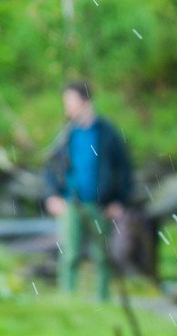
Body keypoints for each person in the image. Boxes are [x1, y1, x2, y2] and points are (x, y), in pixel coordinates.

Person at [44, 81, 133, 301]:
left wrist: (119, 201)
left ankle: (103, 301)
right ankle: (68, 300)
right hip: (71, 203)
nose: (67, 107)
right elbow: (50, 166)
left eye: (70, 101)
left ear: (84, 102)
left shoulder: (106, 132)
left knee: (101, 255)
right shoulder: (66, 134)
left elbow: (124, 169)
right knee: (70, 253)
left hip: (100, 204)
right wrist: (52, 195)